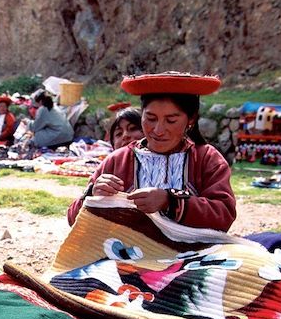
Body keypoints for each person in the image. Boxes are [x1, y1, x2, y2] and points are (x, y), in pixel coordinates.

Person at [66, 72, 236, 231]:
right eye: (151, 118)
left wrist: (170, 202)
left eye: (171, 120)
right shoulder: (117, 160)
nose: (158, 130)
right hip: (128, 255)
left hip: (193, 255)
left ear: (190, 120)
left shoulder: (206, 158)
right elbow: (73, 219)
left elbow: (224, 214)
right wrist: (93, 195)